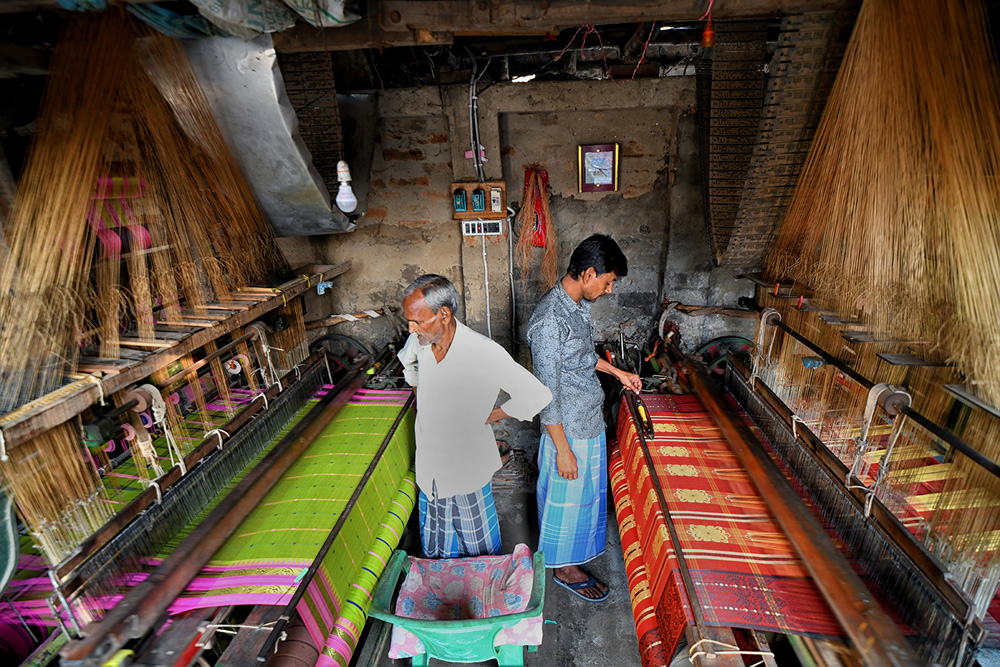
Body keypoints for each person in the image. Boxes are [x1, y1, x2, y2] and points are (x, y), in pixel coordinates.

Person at [398, 274, 552, 559]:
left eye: (418, 320)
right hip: (431, 463)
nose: (411, 328)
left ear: (443, 314)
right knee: (436, 540)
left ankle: (481, 590)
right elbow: (409, 364)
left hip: (466, 467)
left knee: (477, 544)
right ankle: (443, 589)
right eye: (409, 320)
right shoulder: (420, 341)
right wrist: (425, 402)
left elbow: (536, 394)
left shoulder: (482, 352)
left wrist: (490, 414)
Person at [526, 234, 642, 601]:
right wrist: (562, 450)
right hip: (569, 431)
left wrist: (616, 373)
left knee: (583, 500)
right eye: (608, 282)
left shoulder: (576, 306)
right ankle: (564, 569)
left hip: (587, 422)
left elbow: (580, 355)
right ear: (589, 273)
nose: (608, 290)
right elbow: (547, 394)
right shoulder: (547, 322)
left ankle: (571, 561)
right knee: (567, 501)